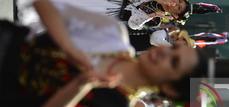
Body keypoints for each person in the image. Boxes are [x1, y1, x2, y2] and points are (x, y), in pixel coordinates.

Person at [0, 1, 207, 107]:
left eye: (174, 63)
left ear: (170, 88)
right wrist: (68, 47)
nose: (164, 53)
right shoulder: (113, 34)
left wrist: (81, 84)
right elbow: (45, 4)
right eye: (173, 49)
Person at [17, 0, 191, 30]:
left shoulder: (156, 19)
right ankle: (33, 4)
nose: (175, 4)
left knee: (73, 14)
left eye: (178, 8)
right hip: (112, 1)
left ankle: (34, 16)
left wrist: (152, 13)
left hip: (111, 13)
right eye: (178, 2)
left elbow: (133, 24)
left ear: (175, 16)